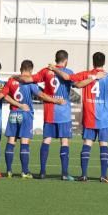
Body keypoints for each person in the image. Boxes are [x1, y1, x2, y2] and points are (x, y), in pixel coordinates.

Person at [0, 59, 66, 179]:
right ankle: (24, 172)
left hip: (13, 114)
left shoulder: (12, 80)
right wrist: (57, 101)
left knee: (11, 141)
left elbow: (3, 95)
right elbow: (42, 95)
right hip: (26, 114)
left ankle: (9, 171)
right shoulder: (30, 83)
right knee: (24, 142)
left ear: (20, 69)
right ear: (30, 70)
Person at [61, 52, 108, 183]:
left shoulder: (85, 74)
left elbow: (73, 82)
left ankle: (83, 175)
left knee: (87, 143)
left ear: (93, 62)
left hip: (89, 116)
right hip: (104, 117)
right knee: (103, 144)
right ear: (104, 62)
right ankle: (104, 175)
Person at [34, 50, 74, 180]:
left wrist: (40, 91)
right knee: (64, 141)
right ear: (66, 60)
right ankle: (64, 173)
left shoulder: (46, 71)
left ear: (56, 59)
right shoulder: (68, 72)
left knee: (47, 139)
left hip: (50, 110)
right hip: (63, 112)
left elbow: (33, 80)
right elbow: (76, 83)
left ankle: (42, 171)